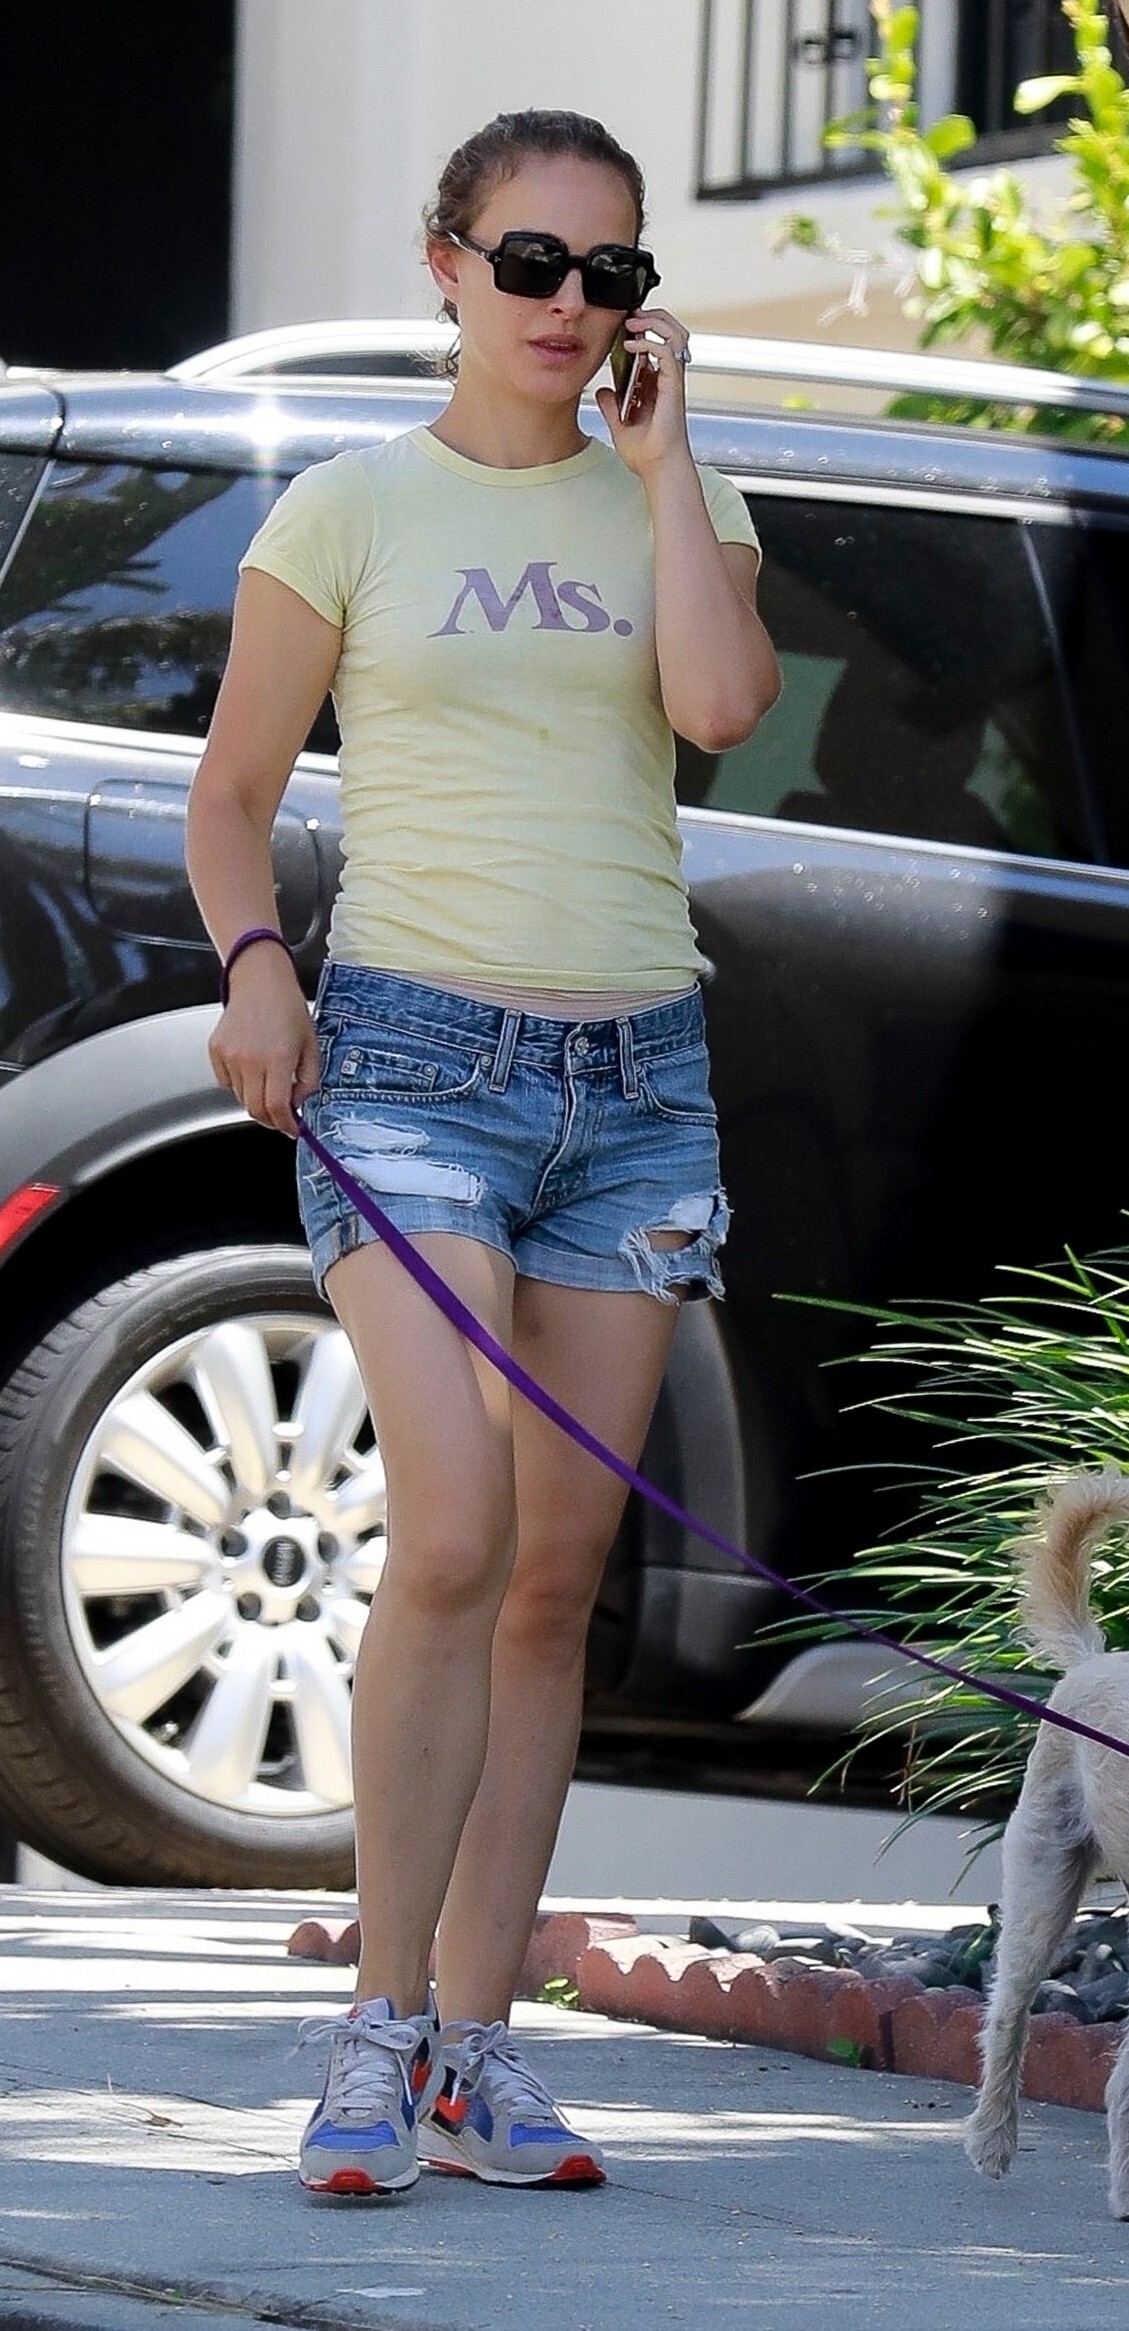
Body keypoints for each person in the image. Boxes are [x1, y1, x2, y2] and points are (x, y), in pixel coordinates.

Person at [186, 107, 780, 2196]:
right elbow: (230, 795)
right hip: (412, 1067)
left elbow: (721, 709)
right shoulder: (349, 507)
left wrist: (668, 465)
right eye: (529, 261)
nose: (567, 303)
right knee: (448, 1530)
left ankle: (474, 2044)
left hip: (638, 1090)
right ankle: (370, 2032)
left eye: (609, 273)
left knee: (550, 1586)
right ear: (446, 264)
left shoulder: (676, 499)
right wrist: (260, 970)